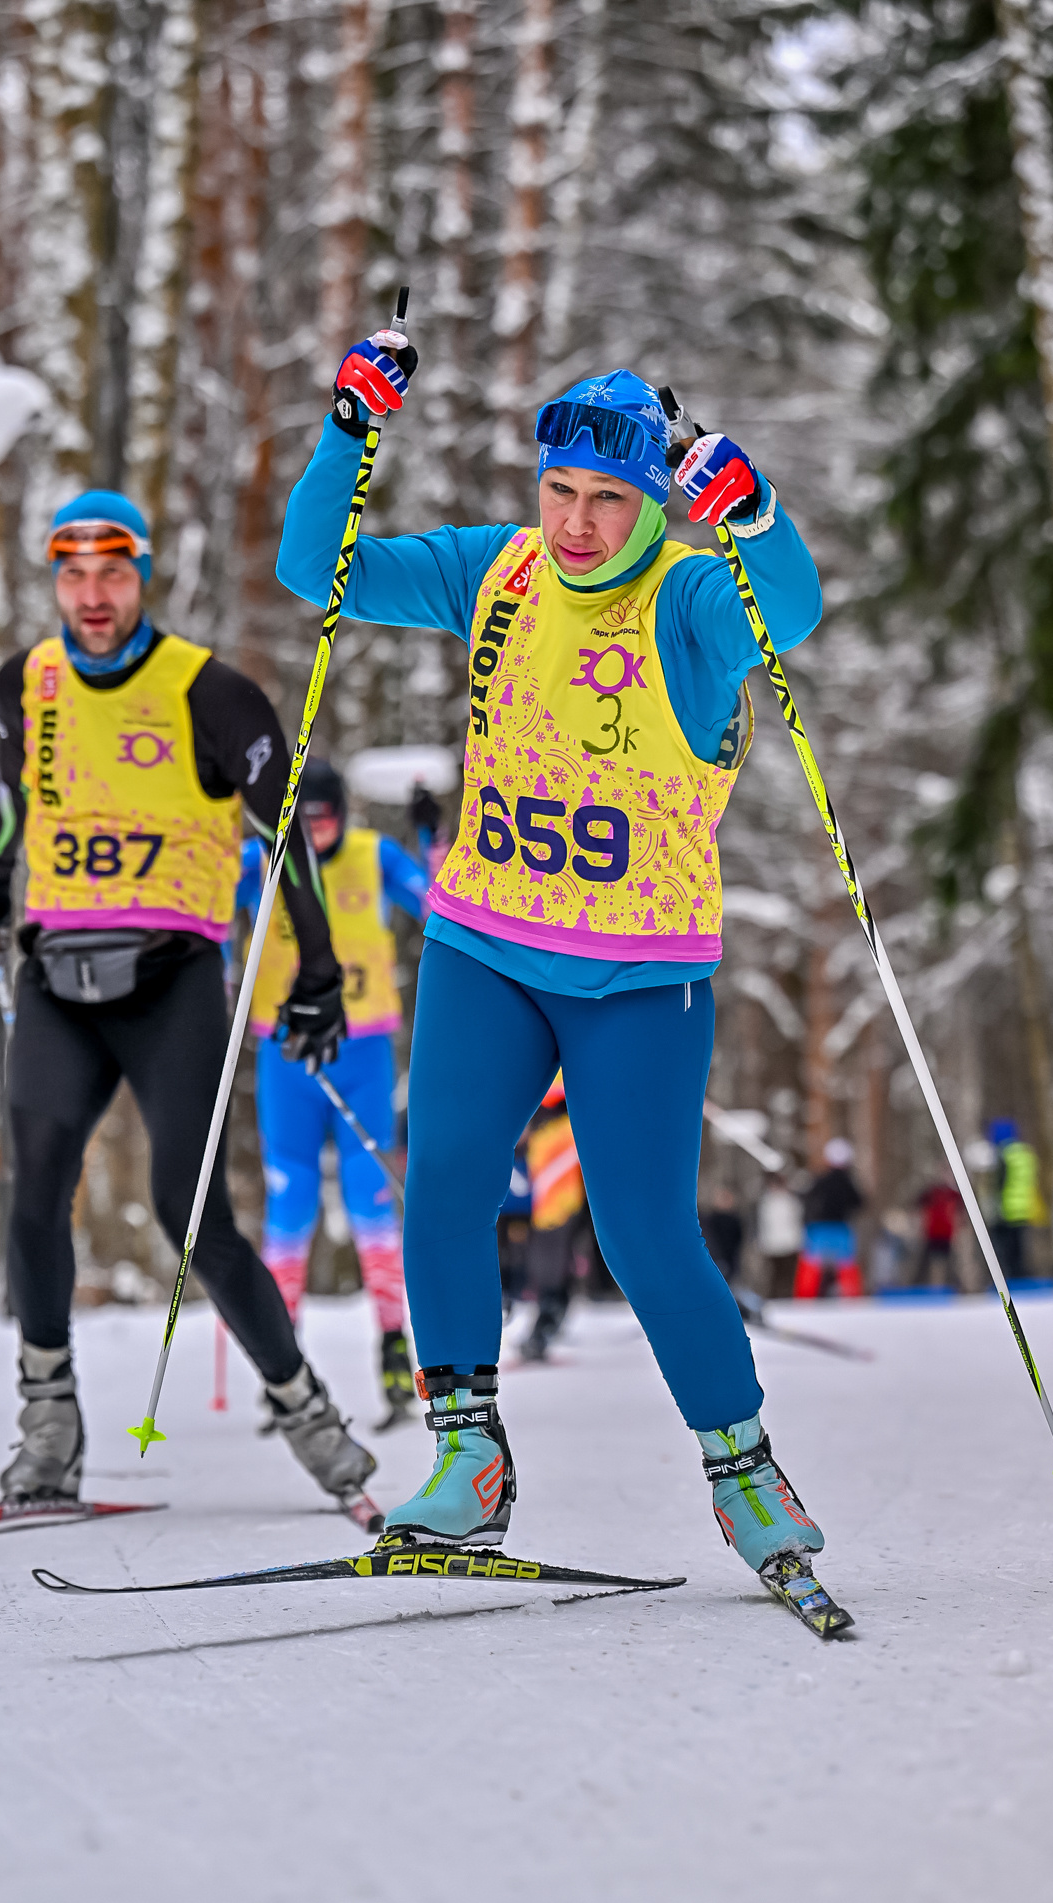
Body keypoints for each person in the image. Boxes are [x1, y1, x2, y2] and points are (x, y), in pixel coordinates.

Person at [277, 336, 829, 1594]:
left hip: (640, 970)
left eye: (610, 500)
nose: (578, 522)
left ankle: (745, 1471)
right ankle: (467, 1461)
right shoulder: (497, 569)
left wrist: (756, 515)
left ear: (653, 504)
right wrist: (350, 431)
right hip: (487, 943)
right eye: (561, 491)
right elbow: (318, 567)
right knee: (446, 1186)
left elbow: (786, 614)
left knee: (640, 1231)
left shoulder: (687, 597)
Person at [0, 489, 376, 1511]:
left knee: (191, 1217)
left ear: (143, 575)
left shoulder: (212, 693)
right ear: (53, 579)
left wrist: (315, 972)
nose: (91, 595)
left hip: (172, 979)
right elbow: (11, 807)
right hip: (56, 973)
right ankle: (48, 1425)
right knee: (37, 1186)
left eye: (111, 572)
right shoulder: (24, 683)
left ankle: (305, 1406)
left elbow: (291, 847)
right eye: (71, 573)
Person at [237, 757, 432, 1423]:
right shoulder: (258, 858)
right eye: (305, 820)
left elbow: (438, 903)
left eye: (327, 819)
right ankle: (282, 1368)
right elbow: (202, 912)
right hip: (284, 1055)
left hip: (362, 1048)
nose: (316, 833)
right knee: (288, 1207)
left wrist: (429, 836)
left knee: (371, 1205)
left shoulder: (371, 855)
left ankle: (392, 1349)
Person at [520, 1074, 588, 1361]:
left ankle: (550, 1314)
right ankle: (550, 1311)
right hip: (549, 1134)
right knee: (550, 1241)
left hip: (562, 1128)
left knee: (555, 1239)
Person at [794, 1138, 864, 1298]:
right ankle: (852, 1297)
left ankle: (804, 1298)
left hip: (818, 1229)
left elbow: (807, 1198)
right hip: (840, 1228)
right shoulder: (848, 1182)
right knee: (846, 1266)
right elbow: (859, 1202)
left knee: (811, 1266)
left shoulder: (820, 1180)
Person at [989, 1118, 1041, 1281]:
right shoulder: (1026, 1153)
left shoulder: (1004, 1154)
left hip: (1008, 1207)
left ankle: (1012, 1277)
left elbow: (999, 1182)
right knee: (1021, 1245)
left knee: (1008, 1247)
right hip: (1026, 1205)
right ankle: (1022, 1274)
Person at [756, 1171, 803, 1298]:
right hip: (773, 1245)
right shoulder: (766, 1202)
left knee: (788, 1275)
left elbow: (796, 1221)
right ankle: (774, 1298)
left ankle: (788, 1297)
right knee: (775, 1275)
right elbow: (764, 1224)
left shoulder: (790, 1200)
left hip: (789, 1244)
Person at [914, 1175, 962, 1289]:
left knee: (952, 1264)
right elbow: (918, 1204)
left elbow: (960, 1210)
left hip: (947, 1234)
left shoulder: (952, 1194)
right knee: (932, 1264)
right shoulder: (931, 1193)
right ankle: (933, 1287)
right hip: (933, 1234)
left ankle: (955, 1287)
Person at [699, 1185, 744, 1287]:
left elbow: (738, 1239)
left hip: (731, 1259)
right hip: (718, 1258)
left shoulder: (734, 1219)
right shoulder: (710, 1220)